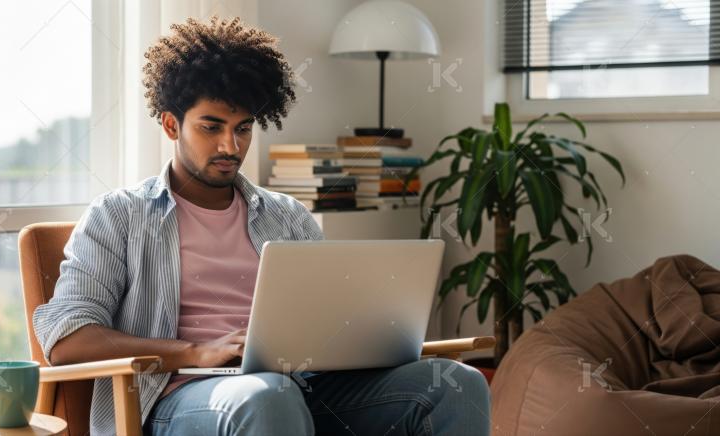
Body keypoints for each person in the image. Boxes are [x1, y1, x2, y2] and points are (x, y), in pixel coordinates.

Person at [32, 15, 490, 436]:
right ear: (172, 125)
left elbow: (325, 315)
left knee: (455, 383)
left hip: (300, 387)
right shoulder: (119, 216)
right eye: (211, 127)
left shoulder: (286, 216)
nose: (230, 145)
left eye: (244, 128)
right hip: (175, 399)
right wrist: (194, 351)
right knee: (268, 396)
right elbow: (68, 339)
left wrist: (358, 339)